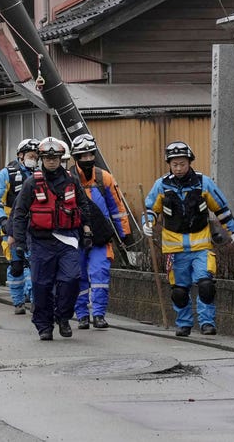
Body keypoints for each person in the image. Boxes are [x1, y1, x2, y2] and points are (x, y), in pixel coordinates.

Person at [143, 141, 234, 337]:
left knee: (205, 285)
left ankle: (207, 323)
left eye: (182, 164)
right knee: (179, 290)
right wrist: (148, 223)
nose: (178, 168)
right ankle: (184, 323)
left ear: (189, 162)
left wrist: (232, 230)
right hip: (174, 249)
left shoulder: (203, 183)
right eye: (174, 164)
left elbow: (220, 207)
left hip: (201, 245)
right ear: (169, 164)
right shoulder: (161, 185)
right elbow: (151, 209)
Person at [11, 137, 99, 341]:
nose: (51, 161)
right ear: (42, 159)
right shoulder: (31, 183)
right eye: (48, 158)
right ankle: (44, 326)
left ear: (61, 158)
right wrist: (19, 243)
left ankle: (64, 317)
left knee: (72, 279)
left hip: (68, 239)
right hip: (41, 241)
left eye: (55, 157)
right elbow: (20, 213)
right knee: (41, 284)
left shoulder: (71, 181)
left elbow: (83, 206)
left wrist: (86, 230)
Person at [69, 134, 129, 330]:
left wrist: (125, 235)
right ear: (75, 157)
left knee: (100, 274)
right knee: (78, 276)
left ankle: (99, 314)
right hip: (75, 238)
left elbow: (118, 209)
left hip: (101, 237)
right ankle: (82, 315)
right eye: (82, 156)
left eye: (90, 155)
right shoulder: (68, 179)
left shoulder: (105, 178)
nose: (87, 159)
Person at [0, 138, 40, 314]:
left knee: (34, 263)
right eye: (30, 156)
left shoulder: (39, 175)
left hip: (34, 225)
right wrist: (3, 222)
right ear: (20, 155)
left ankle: (35, 300)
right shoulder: (6, 174)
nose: (33, 159)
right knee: (16, 264)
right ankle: (18, 301)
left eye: (36, 157)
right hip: (12, 225)